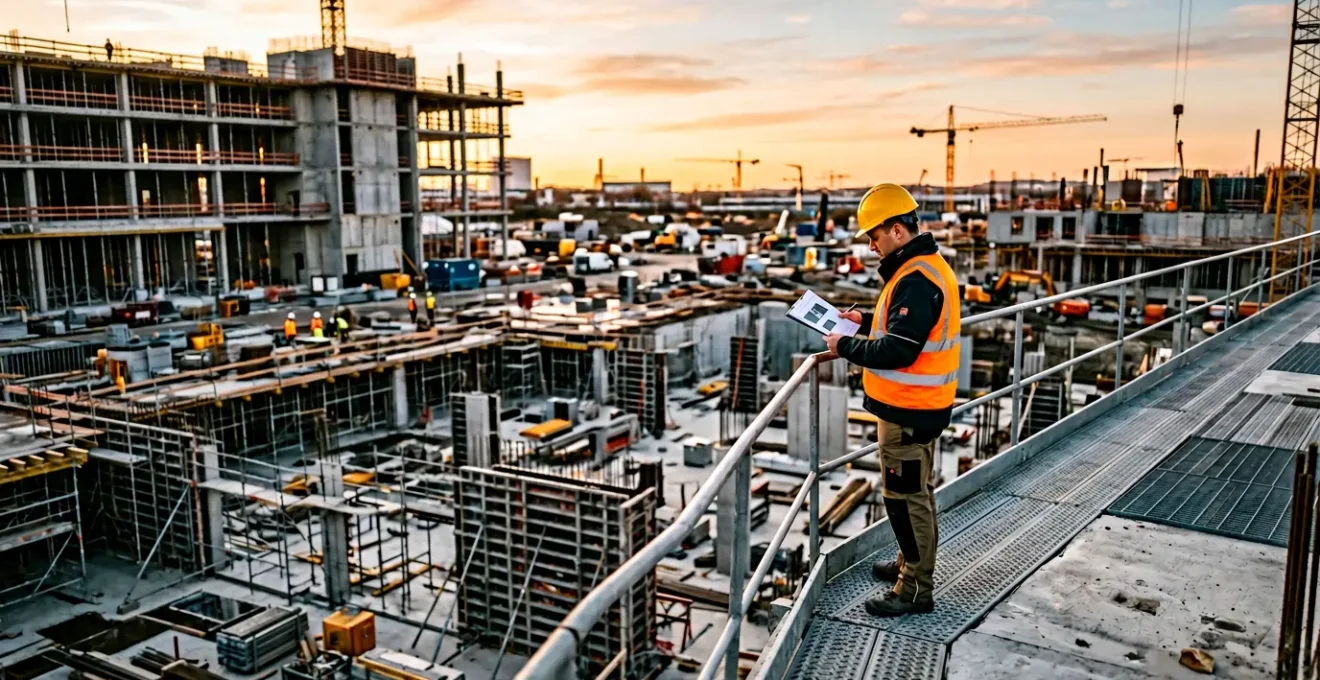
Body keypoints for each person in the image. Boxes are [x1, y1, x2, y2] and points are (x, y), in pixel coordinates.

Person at [822, 183, 961, 618]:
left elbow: (900, 350)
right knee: (914, 492)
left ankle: (915, 588)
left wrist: (845, 346)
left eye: (874, 235)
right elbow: (901, 327)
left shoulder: (917, 278)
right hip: (916, 405)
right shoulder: (922, 268)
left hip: (909, 409)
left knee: (904, 498)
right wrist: (864, 320)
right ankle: (909, 564)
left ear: (898, 230)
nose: (870, 244)